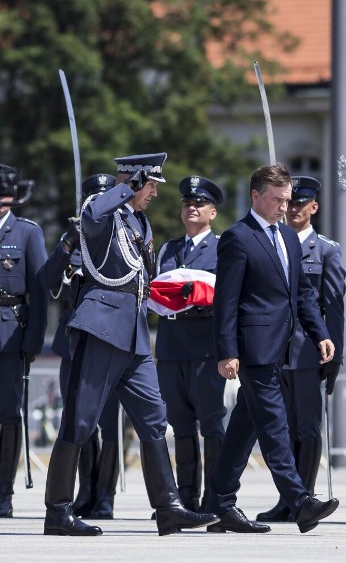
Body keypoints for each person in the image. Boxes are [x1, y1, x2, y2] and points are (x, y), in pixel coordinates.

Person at [43, 153, 219, 536]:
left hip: (135, 333)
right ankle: (57, 510)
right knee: (81, 419)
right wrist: (126, 185)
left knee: (154, 418)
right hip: (103, 326)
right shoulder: (103, 213)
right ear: (134, 182)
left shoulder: (139, 221)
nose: (155, 193)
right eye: (151, 185)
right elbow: (91, 215)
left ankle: (169, 507)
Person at [208, 163, 339, 534]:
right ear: (255, 196)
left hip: (280, 347)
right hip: (252, 350)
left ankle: (219, 504)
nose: (285, 206)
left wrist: (320, 333)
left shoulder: (287, 237)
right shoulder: (238, 237)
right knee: (275, 424)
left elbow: (301, 294)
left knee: (243, 429)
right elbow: (226, 301)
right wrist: (226, 351)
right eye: (278, 199)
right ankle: (299, 501)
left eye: (287, 199)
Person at [255, 176, 345, 523]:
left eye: (299, 203)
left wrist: (335, 354)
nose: (292, 209)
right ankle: (288, 498)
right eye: (289, 202)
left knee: (307, 428)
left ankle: (303, 497)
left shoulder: (326, 249)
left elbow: (333, 305)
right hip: (277, 349)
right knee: (283, 427)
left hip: (308, 351)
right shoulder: (276, 242)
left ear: (313, 208)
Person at [38, 173, 122, 520]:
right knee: (78, 422)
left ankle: (104, 496)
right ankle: (83, 493)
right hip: (74, 342)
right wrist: (68, 244)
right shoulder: (75, 237)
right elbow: (46, 280)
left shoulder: (122, 237)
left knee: (109, 425)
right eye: (91, 197)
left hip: (108, 339)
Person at [155, 176, 226, 512]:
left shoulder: (223, 247)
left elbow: (227, 296)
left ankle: (215, 498)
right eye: (187, 203)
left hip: (205, 346)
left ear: (212, 212)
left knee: (211, 424)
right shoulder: (168, 249)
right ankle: (185, 498)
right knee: (180, 426)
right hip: (172, 345)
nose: (192, 208)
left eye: (199, 204)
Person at [0, 163, 48, 519]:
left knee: (7, 415)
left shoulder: (28, 233)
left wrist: (32, 340)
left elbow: (39, 293)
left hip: (9, 331)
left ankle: (3, 491)